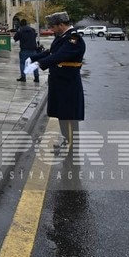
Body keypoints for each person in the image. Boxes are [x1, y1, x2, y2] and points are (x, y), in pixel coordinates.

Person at [27, 12, 85, 154]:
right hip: (60, 83)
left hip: (68, 83)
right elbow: (51, 52)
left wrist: (40, 64)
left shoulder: (73, 38)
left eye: (53, 27)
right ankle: (67, 142)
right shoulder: (62, 37)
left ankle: (71, 148)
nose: (52, 30)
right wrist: (33, 58)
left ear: (61, 25)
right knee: (63, 115)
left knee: (69, 117)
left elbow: (60, 55)